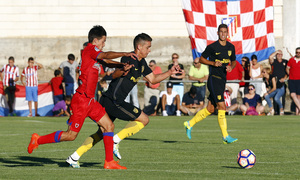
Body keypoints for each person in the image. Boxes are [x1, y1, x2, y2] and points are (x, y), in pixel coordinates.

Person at [27, 25, 137, 170]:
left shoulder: (94, 55)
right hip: (81, 101)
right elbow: (105, 56)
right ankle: (38, 139)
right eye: (103, 41)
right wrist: (124, 53)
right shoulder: (89, 49)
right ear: (96, 40)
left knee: (109, 126)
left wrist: (122, 65)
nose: (104, 44)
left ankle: (109, 162)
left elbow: (106, 61)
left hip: (91, 101)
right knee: (71, 135)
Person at [65, 33, 181, 168]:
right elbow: (114, 74)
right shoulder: (128, 58)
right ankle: (116, 140)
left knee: (102, 133)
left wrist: (169, 72)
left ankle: (74, 157)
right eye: (148, 47)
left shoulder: (142, 63)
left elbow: (153, 79)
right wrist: (122, 70)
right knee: (144, 119)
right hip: (114, 101)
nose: (149, 50)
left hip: (110, 100)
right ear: (139, 47)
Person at [183, 24, 238, 144]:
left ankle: (189, 124)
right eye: (221, 32)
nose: (223, 34)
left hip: (222, 80)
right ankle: (225, 136)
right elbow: (201, 59)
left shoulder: (231, 47)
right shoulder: (212, 47)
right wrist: (213, 63)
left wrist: (231, 67)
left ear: (227, 33)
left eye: (225, 32)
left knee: (210, 109)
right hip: (214, 79)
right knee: (222, 106)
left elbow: (233, 61)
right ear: (218, 33)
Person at [268, 50, 288, 114]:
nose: (279, 55)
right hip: (275, 82)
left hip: (282, 82)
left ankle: (282, 110)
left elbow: (288, 72)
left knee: (282, 97)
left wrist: (284, 78)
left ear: (282, 55)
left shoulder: (285, 61)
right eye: (278, 54)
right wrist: (276, 52)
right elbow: (270, 57)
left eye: (280, 54)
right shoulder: (274, 61)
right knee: (275, 98)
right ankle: (276, 111)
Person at [286, 47, 300, 115]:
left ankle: (297, 112)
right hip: (292, 80)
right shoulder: (291, 60)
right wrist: (290, 75)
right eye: (297, 52)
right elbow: (287, 69)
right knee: (292, 95)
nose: (298, 54)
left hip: (299, 80)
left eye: (299, 52)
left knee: (298, 97)